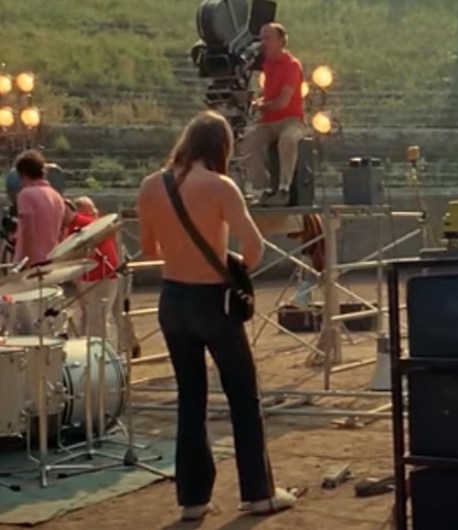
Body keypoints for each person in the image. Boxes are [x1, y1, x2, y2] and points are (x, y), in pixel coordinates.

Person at [136, 110, 295, 521]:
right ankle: (257, 493)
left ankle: (192, 499)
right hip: (214, 302)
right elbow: (255, 248)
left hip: (172, 301)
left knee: (190, 399)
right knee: (243, 395)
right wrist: (228, 258)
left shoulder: (152, 186)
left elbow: (150, 251)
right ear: (220, 148)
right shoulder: (221, 186)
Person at [238, 22, 306, 207]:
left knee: (288, 139)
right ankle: (263, 188)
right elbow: (267, 94)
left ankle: (284, 188)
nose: (263, 43)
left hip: (291, 120)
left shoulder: (292, 65)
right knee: (246, 144)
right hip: (268, 122)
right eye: (261, 38)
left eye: (268, 39)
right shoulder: (267, 65)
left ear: (281, 41)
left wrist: (259, 106)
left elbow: (282, 102)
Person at [64, 196, 140, 357]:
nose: (92, 212)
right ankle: (116, 348)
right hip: (105, 274)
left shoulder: (95, 226)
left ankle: (122, 348)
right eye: (88, 210)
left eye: (92, 209)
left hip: (112, 273)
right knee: (98, 316)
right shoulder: (80, 228)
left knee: (115, 313)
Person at [12, 150, 66, 267]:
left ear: (23, 174)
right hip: (52, 258)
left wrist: (27, 261)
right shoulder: (56, 196)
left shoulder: (26, 194)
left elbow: (28, 230)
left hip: (32, 261)